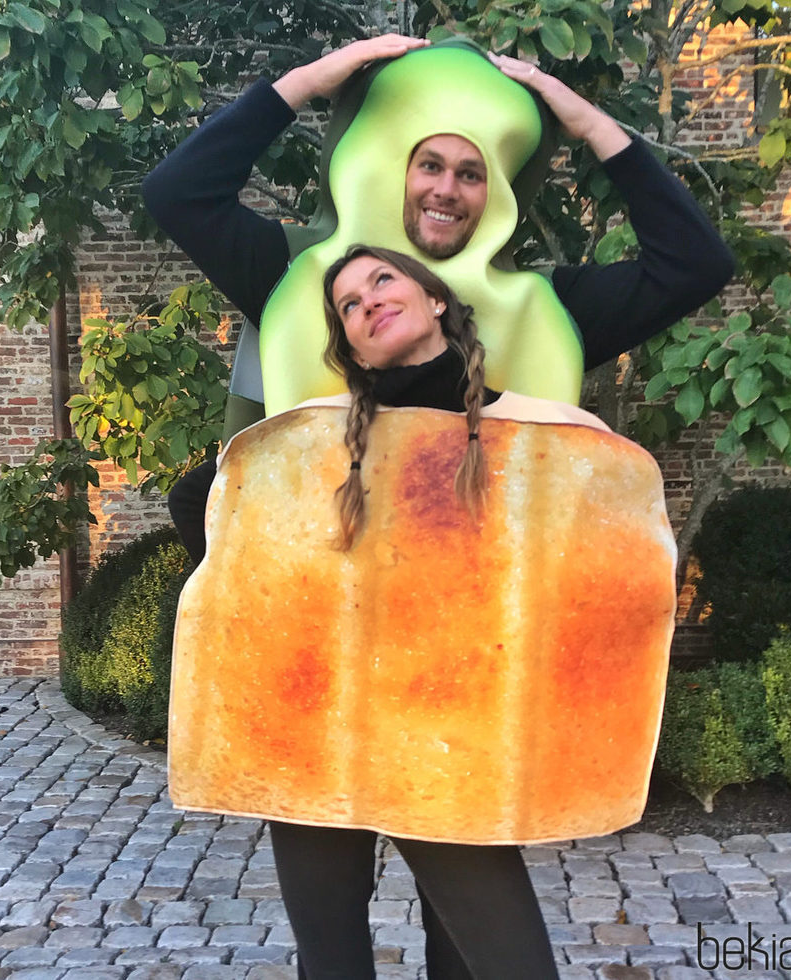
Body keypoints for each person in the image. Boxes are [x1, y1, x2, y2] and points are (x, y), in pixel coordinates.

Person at [141, 35, 734, 566]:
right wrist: (309, 82)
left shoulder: (544, 308)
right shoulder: (300, 270)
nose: (445, 189)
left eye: (470, 173)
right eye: (430, 165)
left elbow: (694, 264)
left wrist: (588, 124)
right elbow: (177, 194)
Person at [269, 244, 563, 979]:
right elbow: (202, 507)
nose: (366, 300)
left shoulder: (531, 434)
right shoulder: (315, 435)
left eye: (382, 280)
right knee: (332, 962)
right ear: (352, 347)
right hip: (322, 732)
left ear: (435, 300)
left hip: (448, 734)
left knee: (495, 965)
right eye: (347, 304)